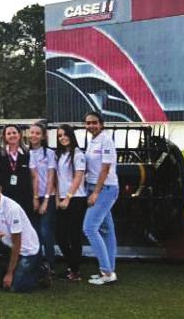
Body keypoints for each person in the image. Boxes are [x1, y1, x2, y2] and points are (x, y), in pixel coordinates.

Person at [0, 173, 43, 293]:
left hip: (26, 250)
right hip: (7, 245)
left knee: (16, 288)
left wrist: (10, 273)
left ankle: (41, 271)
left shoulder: (12, 208)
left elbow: (17, 243)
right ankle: (0, 274)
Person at [83, 112, 119, 285]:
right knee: (106, 230)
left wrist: (96, 192)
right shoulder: (92, 141)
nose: (91, 126)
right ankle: (110, 271)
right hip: (93, 186)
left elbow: (105, 168)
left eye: (94, 123)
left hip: (105, 188)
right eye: (88, 123)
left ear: (101, 124)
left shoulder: (106, 140)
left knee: (89, 227)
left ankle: (106, 271)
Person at [54, 124, 87, 281]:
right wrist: (57, 198)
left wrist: (67, 198)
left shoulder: (78, 154)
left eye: (65, 134)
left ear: (71, 136)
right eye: (60, 135)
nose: (62, 138)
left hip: (76, 199)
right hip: (61, 199)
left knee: (74, 236)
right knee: (60, 235)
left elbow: (78, 177)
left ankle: (75, 271)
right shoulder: (59, 154)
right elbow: (57, 179)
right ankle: (71, 266)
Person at [28, 122, 57, 272]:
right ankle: (38, 265)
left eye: (37, 133)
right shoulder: (25, 152)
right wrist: (34, 198)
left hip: (47, 197)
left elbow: (51, 177)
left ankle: (51, 264)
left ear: (43, 136)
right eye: (32, 132)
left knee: (46, 231)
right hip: (32, 198)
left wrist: (45, 200)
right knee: (35, 233)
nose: (34, 136)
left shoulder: (50, 153)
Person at [0, 124, 34, 221]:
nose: (12, 135)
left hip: (25, 197)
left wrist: (35, 197)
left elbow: (34, 177)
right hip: (6, 196)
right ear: (4, 137)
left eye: (14, 133)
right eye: (9, 133)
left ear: (19, 135)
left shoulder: (28, 153)